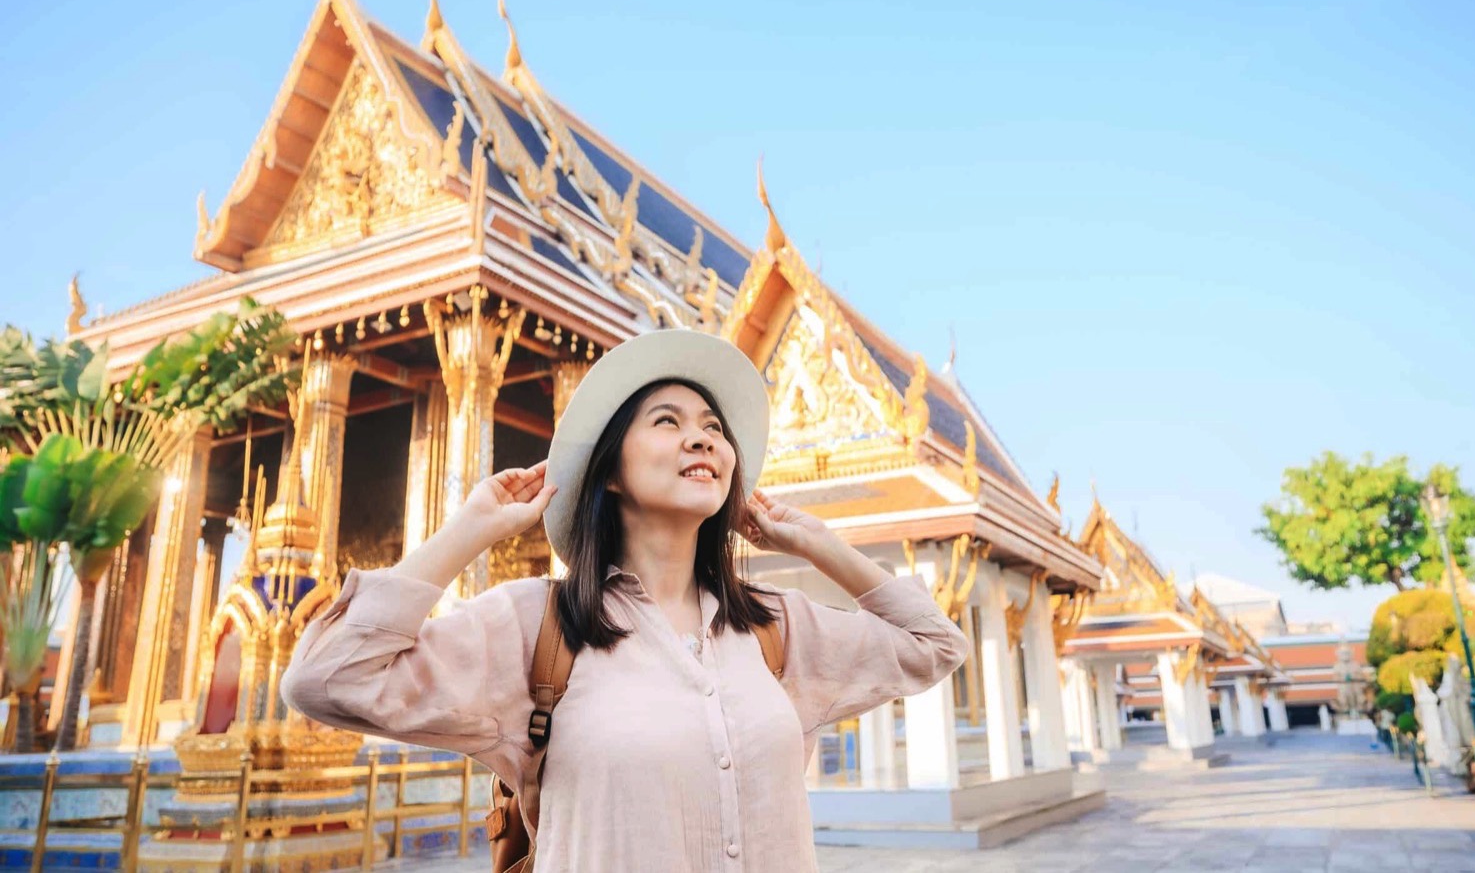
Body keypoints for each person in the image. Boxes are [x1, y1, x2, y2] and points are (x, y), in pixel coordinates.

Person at [281, 329, 970, 872]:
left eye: (713, 427)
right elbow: (325, 679)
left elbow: (936, 647)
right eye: (667, 422)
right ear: (609, 471)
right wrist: (466, 532)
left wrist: (818, 542)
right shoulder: (537, 629)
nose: (702, 436)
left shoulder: (772, 630)